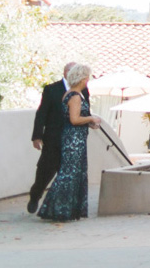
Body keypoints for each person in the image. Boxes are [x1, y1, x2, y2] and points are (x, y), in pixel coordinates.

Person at [36, 62, 100, 221]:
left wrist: (89, 123)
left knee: (72, 173)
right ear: (81, 78)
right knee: (68, 174)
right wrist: (91, 118)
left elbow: (76, 118)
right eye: (86, 78)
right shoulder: (75, 96)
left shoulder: (71, 94)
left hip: (74, 137)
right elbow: (74, 119)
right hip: (73, 140)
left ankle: (66, 209)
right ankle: (57, 209)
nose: (87, 81)